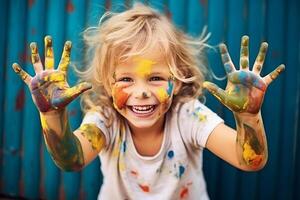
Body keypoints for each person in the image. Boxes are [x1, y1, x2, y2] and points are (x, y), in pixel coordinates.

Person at [12, 3, 284, 200]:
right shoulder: (105, 119)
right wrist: (52, 116)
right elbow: (71, 160)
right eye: (126, 80)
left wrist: (248, 118)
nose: (141, 92)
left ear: (176, 81)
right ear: (108, 83)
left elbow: (250, 161)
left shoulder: (189, 116)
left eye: (155, 77)